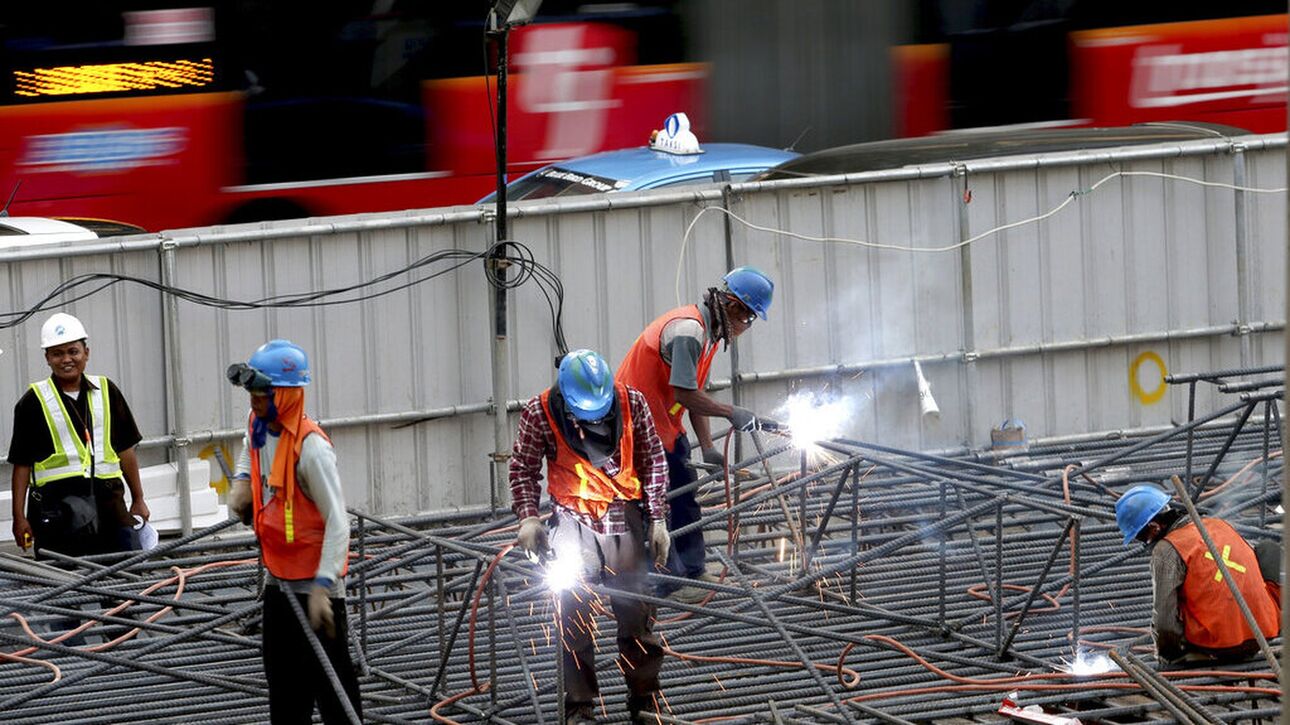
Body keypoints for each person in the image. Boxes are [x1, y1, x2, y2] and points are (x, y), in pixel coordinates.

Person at [510, 349, 670, 724]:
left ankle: (644, 700)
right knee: (573, 616)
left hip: (623, 519)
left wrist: (658, 518)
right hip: (571, 523)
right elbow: (523, 467)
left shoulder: (632, 402)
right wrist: (529, 518)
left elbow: (654, 460)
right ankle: (579, 707)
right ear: (566, 398)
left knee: (636, 612)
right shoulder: (540, 412)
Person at [616, 266, 779, 602]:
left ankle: (693, 570)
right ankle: (668, 584)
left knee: (685, 496)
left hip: (664, 427)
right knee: (656, 505)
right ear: (733, 306)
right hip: (636, 428)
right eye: (748, 319)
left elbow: (695, 389)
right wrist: (731, 413)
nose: (745, 328)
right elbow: (685, 395)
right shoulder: (688, 331)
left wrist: (706, 446)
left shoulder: (705, 332)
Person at [226, 339, 362, 724]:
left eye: (261, 393)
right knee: (285, 688)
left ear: (285, 394)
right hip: (278, 580)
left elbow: (339, 520)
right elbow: (248, 448)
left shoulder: (312, 449)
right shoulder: (259, 423)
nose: (253, 400)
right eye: (250, 392)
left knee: (333, 690)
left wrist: (323, 584)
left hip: (317, 589)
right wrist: (240, 481)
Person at [8, 312, 150, 558]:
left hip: (110, 506)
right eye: (57, 353)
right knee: (65, 585)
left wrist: (138, 498)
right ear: (47, 358)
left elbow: (125, 449)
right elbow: (22, 465)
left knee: (125, 578)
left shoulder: (107, 391)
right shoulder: (32, 402)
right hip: (56, 511)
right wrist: (18, 518)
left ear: (86, 352)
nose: (66, 359)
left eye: (73, 352)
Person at [1115, 484, 1281, 666]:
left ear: (1154, 527)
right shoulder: (1220, 524)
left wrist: (1168, 657)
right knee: (1267, 548)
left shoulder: (1166, 549)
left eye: (1141, 537)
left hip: (1220, 644)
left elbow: (1164, 620)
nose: (1145, 544)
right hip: (1264, 632)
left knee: (1176, 605)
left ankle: (1198, 653)